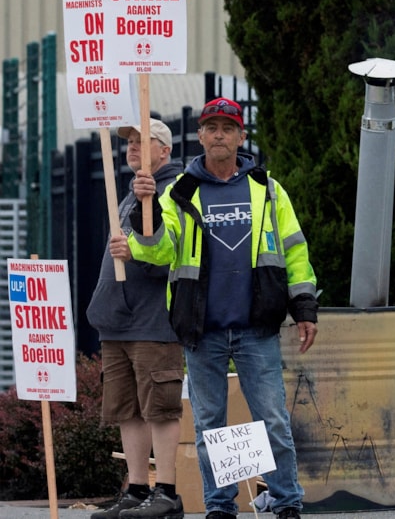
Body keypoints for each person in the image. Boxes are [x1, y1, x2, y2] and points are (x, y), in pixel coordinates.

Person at [111, 97, 319, 519]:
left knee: (273, 422)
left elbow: (295, 252)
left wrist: (305, 308)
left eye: (228, 127)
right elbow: (157, 251)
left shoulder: (267, 189)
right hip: (201, 329)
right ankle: (219, 506)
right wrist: (143, 214)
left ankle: (288, 503)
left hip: (255, 327)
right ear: (201, 136)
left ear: (242, 136)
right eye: (212, 127)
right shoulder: (180, 191)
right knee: (209, 427)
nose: (220, 134)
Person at [88, 119, 186, 519]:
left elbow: (173, 252)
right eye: (128, 141)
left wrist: (138, 247)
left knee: (159, 407)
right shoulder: (130, 193)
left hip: (153, 321)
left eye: (144, 141)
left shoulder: (174, 191)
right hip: (118, 321)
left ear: (165, 151)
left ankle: (166, 492)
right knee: (127, 408)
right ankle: (137, 488)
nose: (132, 147)